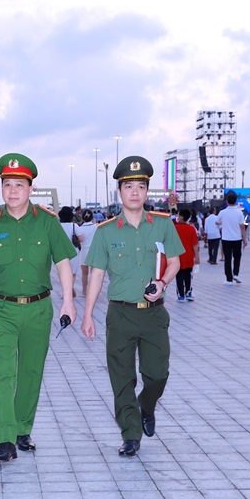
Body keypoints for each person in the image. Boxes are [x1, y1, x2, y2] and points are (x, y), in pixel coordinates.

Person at [0, 152, 77, 463]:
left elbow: (63, 263)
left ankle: (21, 430)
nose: (13, 191)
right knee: (4, 372)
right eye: (7, 185)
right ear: (1, 188)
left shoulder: (47, 222)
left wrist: (68, 301)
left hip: (38, 309)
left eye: (19, 185)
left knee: (31, 371)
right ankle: (4, 440)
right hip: (2, 309)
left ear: (31, 189)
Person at [81, 155, 183, 457]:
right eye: (128, 187)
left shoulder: (162, 225)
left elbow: (175, 262)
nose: (135, 192)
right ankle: (130, 433)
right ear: (120, 192)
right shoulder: (106, 231)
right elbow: (97, 274)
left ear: (147, 191)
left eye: (140, 186)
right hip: (120, 314)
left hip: (154, 314)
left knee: (158, 374)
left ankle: (146, 405)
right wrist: (88, 315)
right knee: (121, 377)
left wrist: (162, 283)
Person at [216, 192, 247, 285]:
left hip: (226, 239)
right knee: (237, 257)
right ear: (236, 201)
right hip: (237, 238)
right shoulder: (239, 212)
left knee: (228, 259)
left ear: (226, 201)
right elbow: (242, 226)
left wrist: (222, 223)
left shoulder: (222, 212)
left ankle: (229, 279)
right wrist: (244, 238)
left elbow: (217, 222)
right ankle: (236, 274)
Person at [173, 208, 200, 302]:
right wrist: (197, 256)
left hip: (177, 256)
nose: (177, 217)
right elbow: (195, 244)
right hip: (189, 256)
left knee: (179, 275)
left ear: (181, 217)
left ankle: (181, 295)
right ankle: (188, 293)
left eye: (178, 215)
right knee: (188, 275)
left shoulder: (174, 228)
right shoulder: (191, 229)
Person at [58, 206, 80, 297]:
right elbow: (81, 238)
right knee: (73, 272)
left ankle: (66, 292)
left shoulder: (57, 226)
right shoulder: (74, 226)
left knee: (63, 272)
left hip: (60, 252)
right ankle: (70, 289)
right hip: (73, 252)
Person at [76, 209, 98, 296]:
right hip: (94, 251)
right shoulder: (96, 227)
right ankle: (93, 290)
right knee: (94, 273)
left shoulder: (80, 228)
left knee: (84, 273)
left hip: (84, 251)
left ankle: (85, 290)